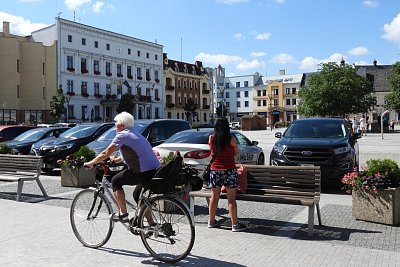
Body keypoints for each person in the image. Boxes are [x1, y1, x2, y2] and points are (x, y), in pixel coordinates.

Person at [84, 112, 160, 222]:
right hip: (153, 170)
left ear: (122, 125)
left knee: (115, 181)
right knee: (138, 195)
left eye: (116, 123)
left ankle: (123, 213)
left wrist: (91, 162)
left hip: (141, 171)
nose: (115, 126)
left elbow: (106, 153)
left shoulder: (122, 135)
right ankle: (151, 225)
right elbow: (134, 152)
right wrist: (116, 160)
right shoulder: (135, 134)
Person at [207, 117, 246, 232]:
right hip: (229, 170)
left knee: (214, 197)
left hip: (215, 170)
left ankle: (211, 221)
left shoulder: (211, 138)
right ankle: (235, 225)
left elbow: (211, 152)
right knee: (231, 200)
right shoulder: (231, 139)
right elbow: (236, 153)